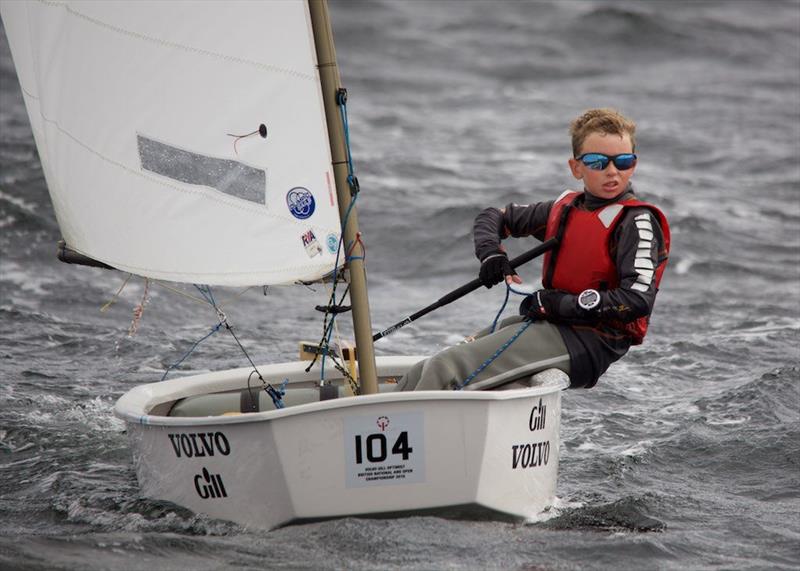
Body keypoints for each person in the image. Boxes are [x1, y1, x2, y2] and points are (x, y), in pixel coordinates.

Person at [398, 108, 670, 391]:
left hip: (590, 342)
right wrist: (491, 254)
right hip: (554, 325)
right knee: (428, 366)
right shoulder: (564, 209)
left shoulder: (636, 222)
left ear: (633, 165)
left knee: (446, 369)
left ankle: (411, 430)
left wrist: (560, 304)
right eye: (598, 162)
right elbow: (492, 217)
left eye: (623, 161)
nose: (613, 171)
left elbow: (637, 300)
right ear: (576, 168)